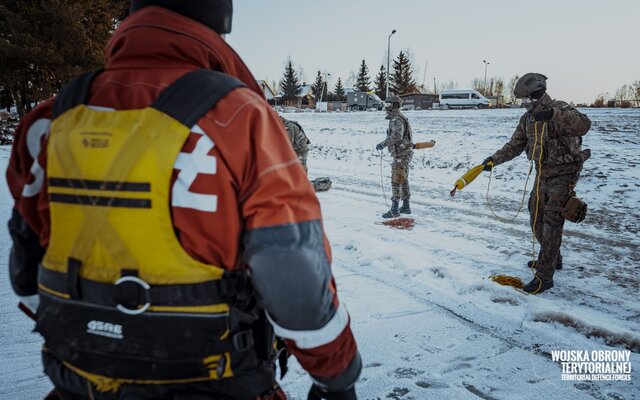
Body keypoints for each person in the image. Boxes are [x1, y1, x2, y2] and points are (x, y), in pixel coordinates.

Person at [6, 1, 361, 399]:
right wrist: (337, 377)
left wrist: (93, 330)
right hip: (213, 380)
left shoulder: (48, 121)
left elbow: (26, 265)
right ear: (217, 22)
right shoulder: (241, 119)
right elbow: (295, 277)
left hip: (77, 378)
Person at [482, 73, 591, 294]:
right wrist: (494, 160)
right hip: (542, 174)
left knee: (552, 222)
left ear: (537, 93)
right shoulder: (528, 119)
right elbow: (515, 145)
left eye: (526, 99)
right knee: (536, 218)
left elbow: (584, 124)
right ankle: (552, 257)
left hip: (564, 174)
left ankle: (544, 276)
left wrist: (554, 116)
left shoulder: (560, 109)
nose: (523, 103)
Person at [375, 96, 414, 218]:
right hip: (403, 153)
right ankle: (406, 206)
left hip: (401, 154)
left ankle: (395, 209)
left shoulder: (397, 119)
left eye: (388, 105)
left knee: (396, 180)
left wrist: (383, 144)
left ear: (394, 105)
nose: (386, 108)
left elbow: (397, 136)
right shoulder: (397, 118)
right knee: (403, 178)